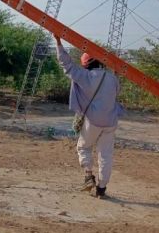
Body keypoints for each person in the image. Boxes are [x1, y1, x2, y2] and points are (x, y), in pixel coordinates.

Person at [54, 35, 123, 199]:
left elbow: (67, 64)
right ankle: (102, 188)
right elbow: (116, 92)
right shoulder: (112, 78)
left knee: (83, 147)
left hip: (93, 121)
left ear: (86, 64)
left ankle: (88, 176)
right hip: (111, 121)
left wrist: (58, 42)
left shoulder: (85, 76)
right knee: (105, 155)